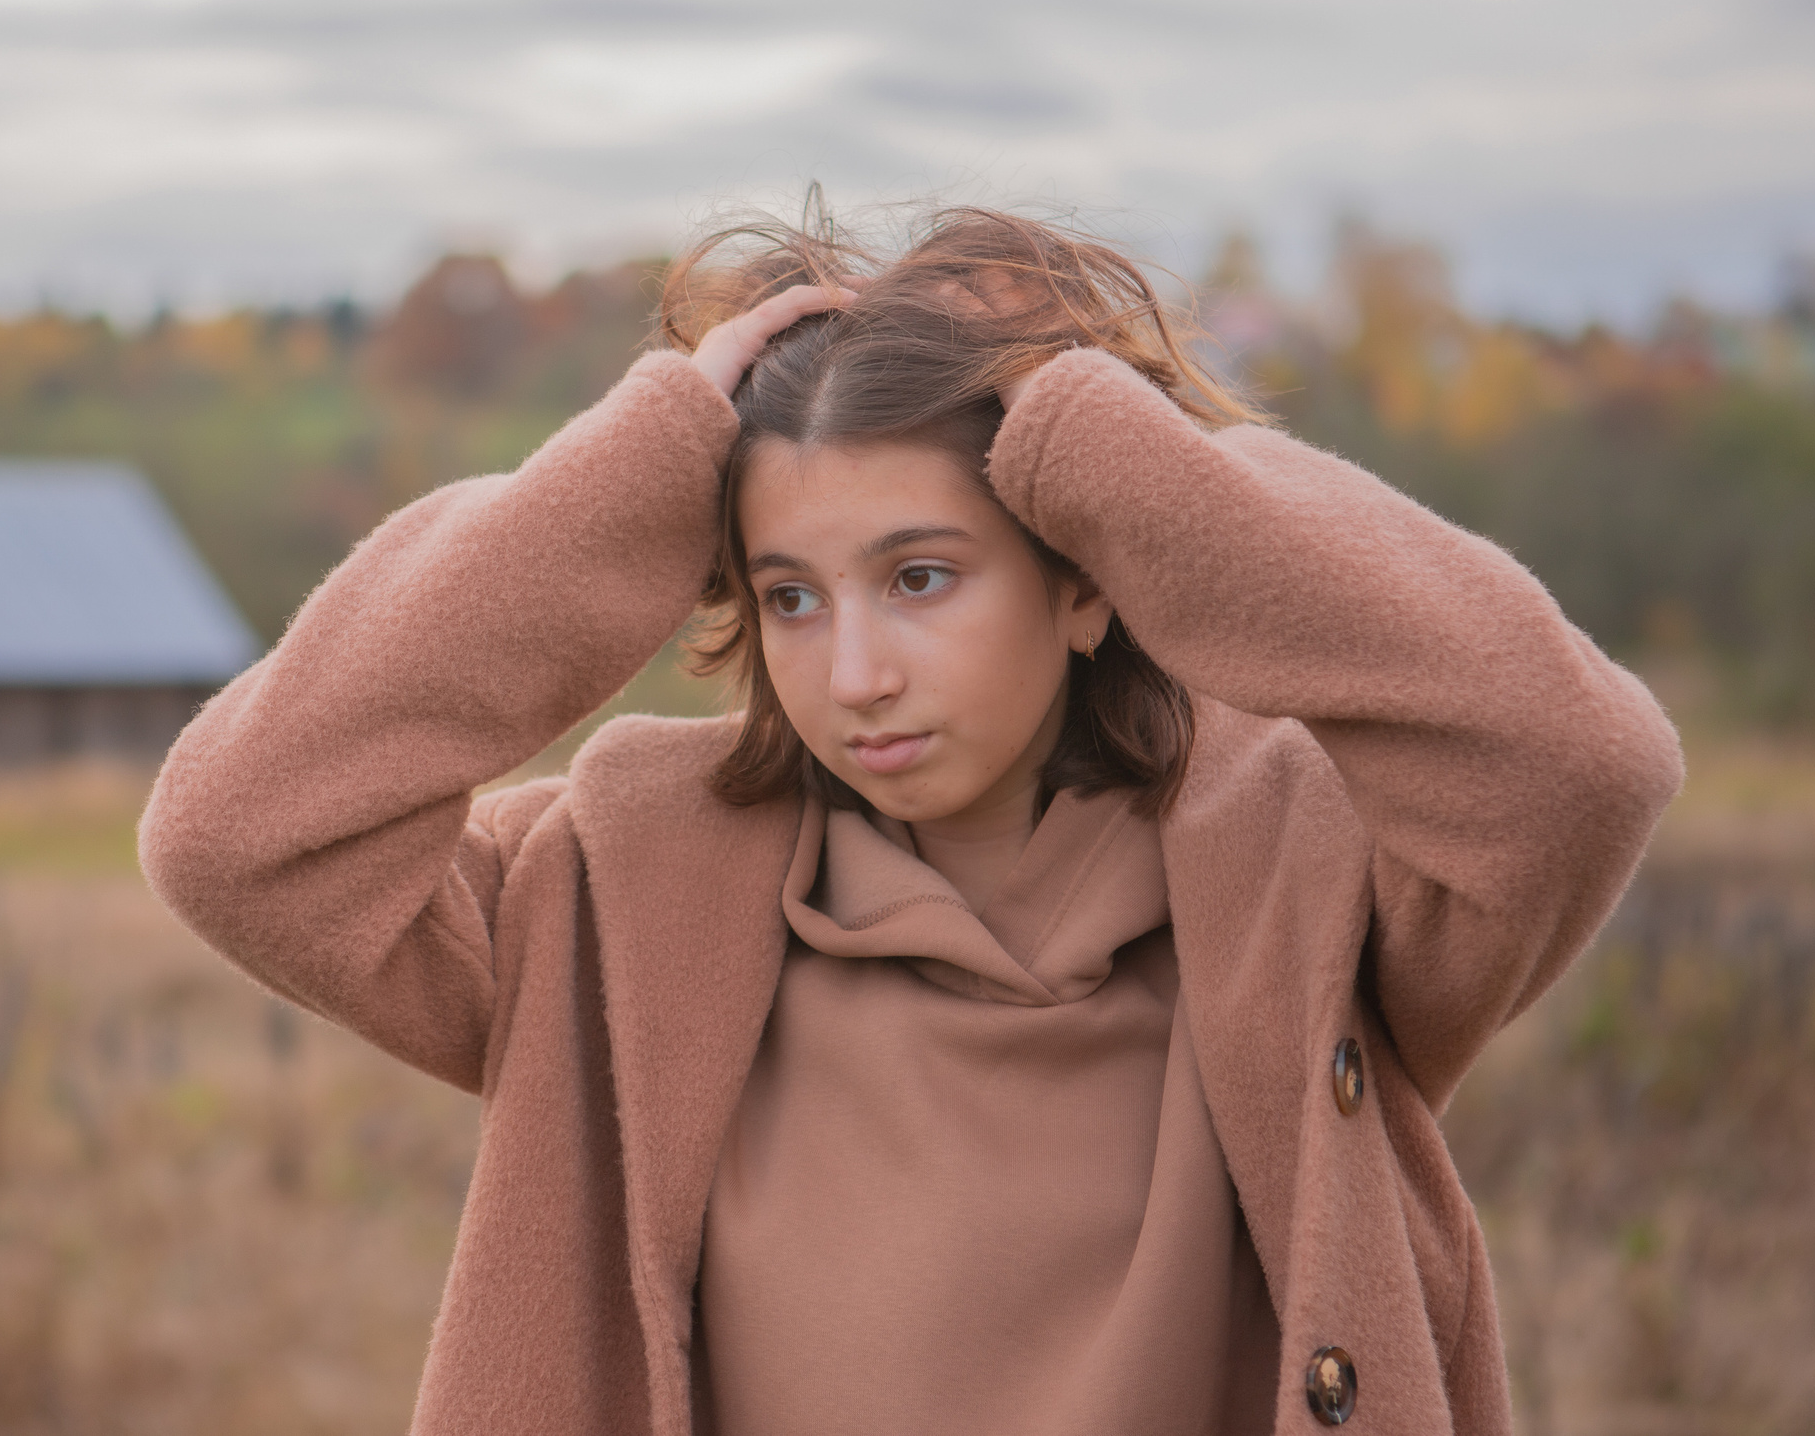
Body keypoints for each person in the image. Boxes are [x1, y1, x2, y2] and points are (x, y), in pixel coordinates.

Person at [139, 203, 1683, 1435]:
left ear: (1087, 578)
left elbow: (1575, 768)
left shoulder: (1306, 877)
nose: (854, 673)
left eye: (922, 577)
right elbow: (240, 832)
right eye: (789, 597)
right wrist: (649, 461)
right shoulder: (613, 893)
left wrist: (1114, 449)